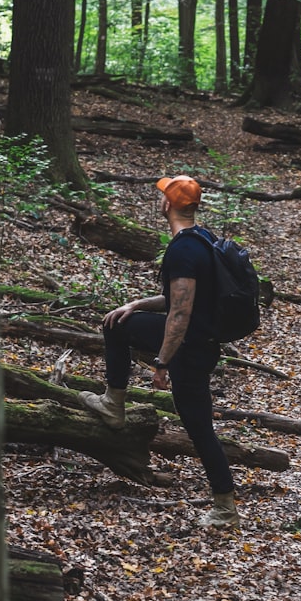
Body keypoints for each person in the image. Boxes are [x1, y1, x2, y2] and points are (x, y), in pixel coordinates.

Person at [78, 175, 240, 530]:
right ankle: (112, 403)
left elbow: (180, 314)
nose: (161, 200)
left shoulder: (183, 249)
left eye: (163, 196)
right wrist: (136, 304)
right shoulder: (204, 239)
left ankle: (225, 509)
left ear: (168, 205)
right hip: (201, 342)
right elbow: (182, 300)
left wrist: (161, 363)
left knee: (199, 428)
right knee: (116, 324)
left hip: (189, 348)